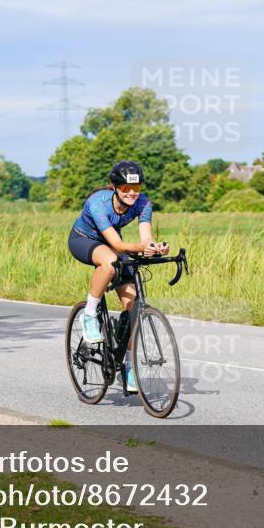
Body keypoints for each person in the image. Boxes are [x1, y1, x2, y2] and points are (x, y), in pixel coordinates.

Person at [68, 161, 171, 393]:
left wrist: (155, 247)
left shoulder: (143, 204)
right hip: (84, 239)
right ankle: (90, 314)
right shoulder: (98, 203)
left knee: (131, 304)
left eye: (137, 188)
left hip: (115, 244)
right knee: (109, 263)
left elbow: (145, 238)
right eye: (126, 189)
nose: (133, 193)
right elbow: (115, 244)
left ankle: (129, 365)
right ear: (115, 188)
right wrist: (139, 248)